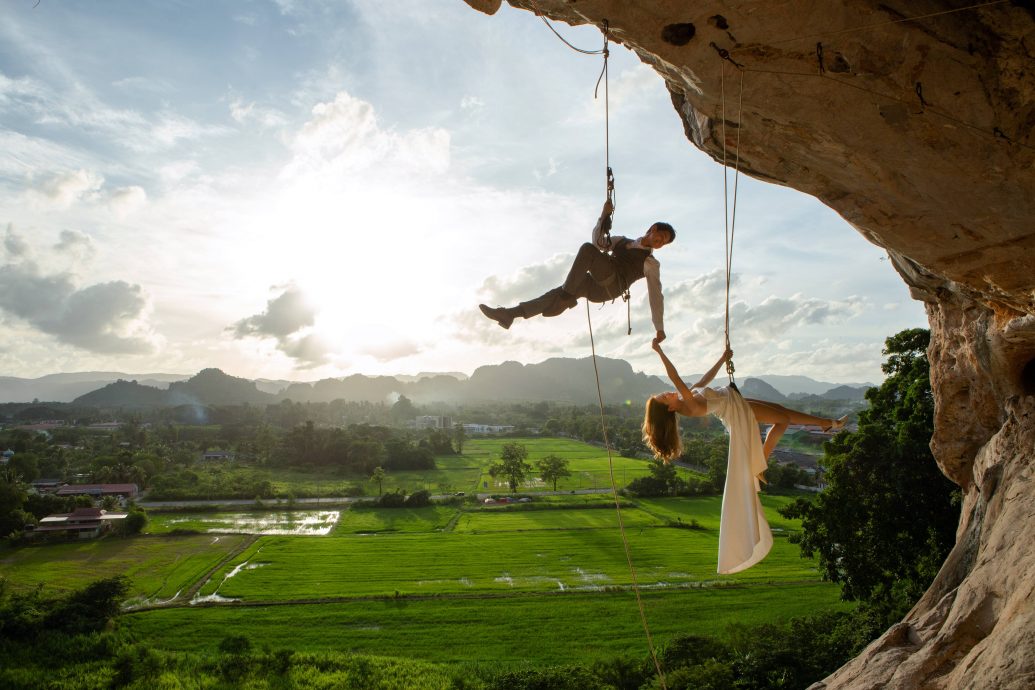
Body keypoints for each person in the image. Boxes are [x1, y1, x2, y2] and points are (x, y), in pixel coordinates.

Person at [645, 340, 846, 574]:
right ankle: (760, 462)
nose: (668, 393)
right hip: (738, 412)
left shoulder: (685, 396)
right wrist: (659, 351)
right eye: (664, 397)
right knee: (783, 420)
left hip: (736, 402)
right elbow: (676, 377)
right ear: (669, 409)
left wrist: (722, 358)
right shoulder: (688, 406)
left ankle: (826, 424)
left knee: (782, 411)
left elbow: (705, 380)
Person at [479, 198, 675, 343]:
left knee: (584, 256)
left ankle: (563, 299)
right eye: (661, 237)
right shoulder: (622, 241)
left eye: (663, 243)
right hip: (596, 287)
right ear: (653, 228)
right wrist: (604, 215)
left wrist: (659, 328)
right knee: (557, 291)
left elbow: (655, 295)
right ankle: (510, 314)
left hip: (612, 285)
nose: (659, 243)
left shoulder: (650, 263)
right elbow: (598, 242)